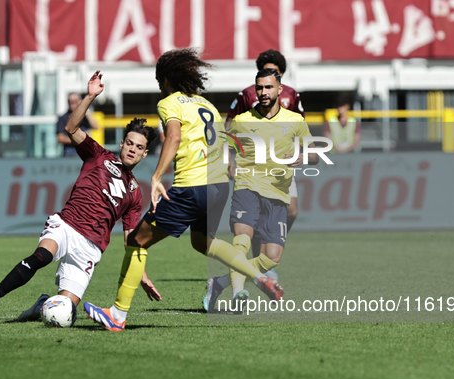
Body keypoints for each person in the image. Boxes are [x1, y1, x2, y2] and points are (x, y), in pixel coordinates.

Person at [83, 48, 284, 331]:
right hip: (218, 186)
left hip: (192, 187)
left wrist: (156, 177)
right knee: (203, 243)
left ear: (166, 79)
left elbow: (174, 136)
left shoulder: (169, 103)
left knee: (137, 241)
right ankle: (258, 276)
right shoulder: (207, 105)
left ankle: (117, 314)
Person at [0, 71, 160, 324]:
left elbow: (130, 240)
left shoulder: (135, 192)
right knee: (41, 257)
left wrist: (139, 273)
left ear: (144, 155)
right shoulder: (98, 155)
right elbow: (71, 128)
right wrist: (89, 97)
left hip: (90, 248)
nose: (133, 149)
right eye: (130, 143)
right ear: (121, 144)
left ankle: (41, 304)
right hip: (66, 226)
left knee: (64, 311)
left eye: (139, 147)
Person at [204, 68, 318, 312]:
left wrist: (303, 156)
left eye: (268, 87)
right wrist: (229, 162)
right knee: (242, 240)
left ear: (279, 89)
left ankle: (219, 283)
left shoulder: (295, 121)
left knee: (271, 258)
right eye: (259, 88)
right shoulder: (243, 120)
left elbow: (316, 154)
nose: (263, 92)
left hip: (277, 194)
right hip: (247, 186)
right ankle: (238, 293)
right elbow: (221, 143)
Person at [226, 49, 305, 233]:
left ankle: (274, 239)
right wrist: (229, 161)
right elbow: (228, 129)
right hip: (253, 164)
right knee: (254, 215)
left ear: (281, 75)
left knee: (291, 211)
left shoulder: (292, 96)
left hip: (281, 164)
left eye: (274, 73)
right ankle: (258, 249)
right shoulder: (246, 95)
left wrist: (301, 152)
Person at [57, 92, 99, 157]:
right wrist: (78, 139)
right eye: (69, 101)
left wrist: (84, 108)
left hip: (85, 152)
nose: (71, 104)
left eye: (74, 101)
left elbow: (96, 127)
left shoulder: (85, 117)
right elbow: (60, 139)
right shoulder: (63, 118)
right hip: (70, 153)